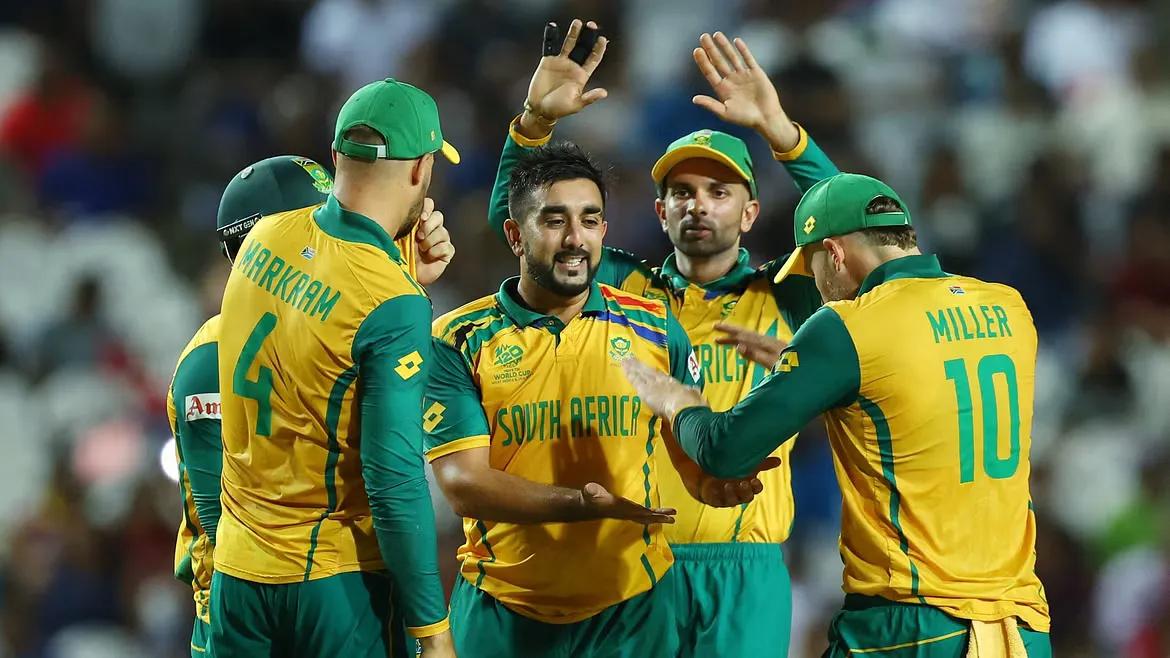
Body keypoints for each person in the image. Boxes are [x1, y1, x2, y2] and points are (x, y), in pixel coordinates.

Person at [487, 24, 839, 656]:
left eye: (719, 192)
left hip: (745, 566)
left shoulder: (788, 295)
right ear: (660, 211)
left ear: (751, 213)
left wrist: (782, 133)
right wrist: (533, 125)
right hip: (635, 563)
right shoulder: (621, 286)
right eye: (681, 192)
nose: (698, 205)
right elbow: (523, 231)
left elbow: (851, 232)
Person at [624, 172, 1053, 656]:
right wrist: (814, 371)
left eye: (812, 272)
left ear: (834, 253)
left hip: (910, 626)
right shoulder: (1008, 306)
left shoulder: (848, 325)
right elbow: (921, 391)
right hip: (1021, 625)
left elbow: (723, 451)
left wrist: (675, 400)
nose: (819, 290)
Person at [209, 79, 460, 658]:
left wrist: (399, 269)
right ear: (421, 168)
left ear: (335, 156)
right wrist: (433, 631)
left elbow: (317, 337)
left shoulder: (264, 236)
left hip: (237, 573)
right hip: (331, 583)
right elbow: (393, 479)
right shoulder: (390, 302)